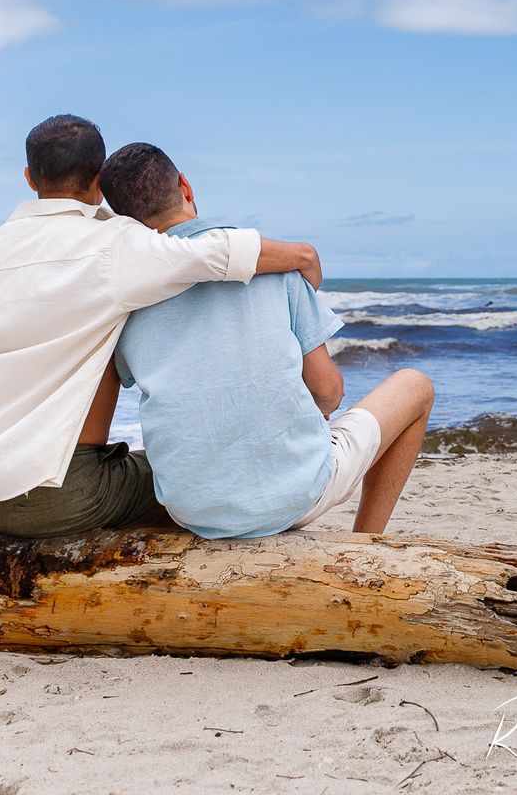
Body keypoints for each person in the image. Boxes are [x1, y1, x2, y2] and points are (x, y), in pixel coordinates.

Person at [0, 115, 322, 537]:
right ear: (99, 181)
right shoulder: (114, 243)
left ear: (29, 177)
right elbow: (211, 253)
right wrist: (303, 257)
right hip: (51, 494)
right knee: (196, 480)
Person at [99, 141, 434, 537]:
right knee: (416, 386)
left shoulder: (126, 294)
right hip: (295, 496)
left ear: (123, 220)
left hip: (190, 509)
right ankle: (366, 540)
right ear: (185, 186)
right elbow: (328, 393)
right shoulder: (275, 266)